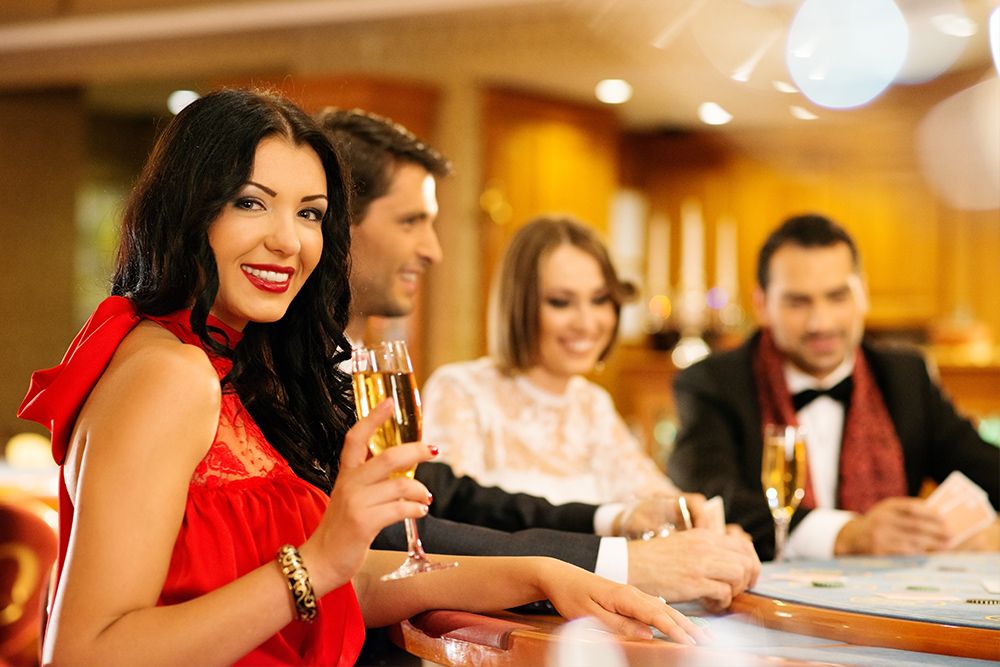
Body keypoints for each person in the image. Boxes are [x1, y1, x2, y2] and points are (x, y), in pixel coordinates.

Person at [17, 88, 705, 666]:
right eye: (252, 202)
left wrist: (544, 575)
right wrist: (315, 561)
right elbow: (84, 651)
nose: (288, 240)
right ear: (190, 208)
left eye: (310, 213)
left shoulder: (225, 365)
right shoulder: (167, 373)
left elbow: (346, 579)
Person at [317, 108, 760, 612]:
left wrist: (622, 523)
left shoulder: (365, 363)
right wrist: (620, 563)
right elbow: (402, 541)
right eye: (412, 221)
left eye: (600, 299)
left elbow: (452, 498)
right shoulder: (302, 375)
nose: (435, 250)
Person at [668, 213, 1000, 561]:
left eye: (837, 297)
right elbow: (711, 499)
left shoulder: (906, 377)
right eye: (798, 302)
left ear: (863, 295)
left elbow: (986, 469)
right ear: (762, 305)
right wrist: (844, 534)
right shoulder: (711, 383)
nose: (821, 322)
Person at [422, 215, 678, 506]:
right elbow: (453, 517)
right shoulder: (461, 391)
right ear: (519, 305)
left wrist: (701, 518)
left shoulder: (593, 405)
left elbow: (658, 499)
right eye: (560, 302)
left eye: (599, 299)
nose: (586, 323)